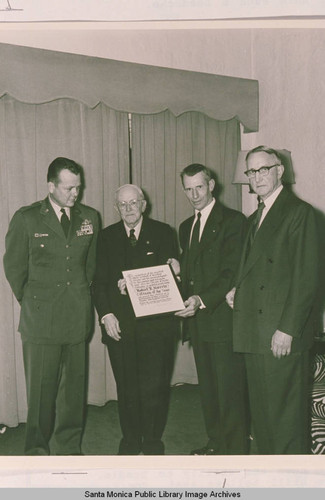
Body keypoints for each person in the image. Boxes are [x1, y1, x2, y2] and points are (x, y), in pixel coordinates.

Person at [3, 157, 99, 455]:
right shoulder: (28, 218)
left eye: (78, 187)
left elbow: (91, 267)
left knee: (73, 396)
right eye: (69, 188)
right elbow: (14, 268)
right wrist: (36, 302)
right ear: (51, 186)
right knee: (42, 396)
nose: (75, 194)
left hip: (76, 319)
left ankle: (69, 451)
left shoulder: (89, 218)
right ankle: (37, 454)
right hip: (41, 322)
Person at [226, 145, 319, 454]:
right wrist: (238, 291)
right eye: (251, 171)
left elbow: (307, 279)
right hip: (255, 331)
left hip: (280, 334)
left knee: (285, 423)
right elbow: (258, 270)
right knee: (264, 419)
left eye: (264, 169)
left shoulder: (299, 213)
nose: (257, 176)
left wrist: (288, 329)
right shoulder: (256, 217)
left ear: (280, 170)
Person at [92, 184, 179, 455]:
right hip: (120, 325)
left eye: (133, 203)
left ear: (143, 204)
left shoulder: (164, 232)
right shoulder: (105, 238)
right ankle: (130, 440)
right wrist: (106, 315)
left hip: (157, 326)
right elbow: (99, 282)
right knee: (126, 387)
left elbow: (170, 278)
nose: (129, 209)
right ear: (116, 208)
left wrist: (170, 272)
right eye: (123, 204)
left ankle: (153, 440)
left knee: (156, 386)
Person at [175, 163, 249, 455]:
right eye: (188, 189)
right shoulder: (186, 226)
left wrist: (200, 300)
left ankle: (235, 454)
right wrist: (176, 277)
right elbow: (194, 273)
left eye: (199, 187)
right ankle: (216, 444)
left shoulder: (234, 221)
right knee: (209, 391)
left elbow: (230, 273)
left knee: (230, 393)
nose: (194, 195)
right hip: (199, 322)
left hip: (223, 321)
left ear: (212, 185)